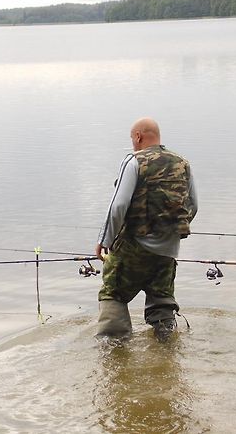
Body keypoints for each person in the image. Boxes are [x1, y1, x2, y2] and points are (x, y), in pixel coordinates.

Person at [95, 117, 197, 342]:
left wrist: (105, 240)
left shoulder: (134, 161)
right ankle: (167, 348)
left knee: (113, 294)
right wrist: (168, 235)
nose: (132, 144)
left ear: (138, 137)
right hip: (168, 250)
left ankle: (113, 348)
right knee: (161, 303)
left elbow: (118, 206)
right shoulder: (183, 163)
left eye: (133, 139)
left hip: (134, 246)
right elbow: (193, 206)